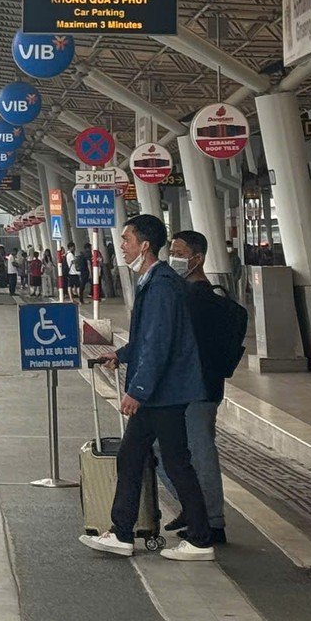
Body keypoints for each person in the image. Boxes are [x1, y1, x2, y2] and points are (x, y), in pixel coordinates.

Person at [80, 214, 215, 560]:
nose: (121, 247)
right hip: (162, 391)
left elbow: (158, 343)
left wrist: (136, 391)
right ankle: (123, 532)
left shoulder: (162, 285)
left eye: (126, 240)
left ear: (145, 245)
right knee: (135, 455)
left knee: (174, 462)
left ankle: (200, 539)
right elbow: (145, 340)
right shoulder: (152, 280)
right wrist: (121, 354)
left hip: (163, 393)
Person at [156, 230, 244, 546]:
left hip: (197, 389)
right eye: (171, 251)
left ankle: (211, 520)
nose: (173, 257)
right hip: (196, 388)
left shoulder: (196, 299)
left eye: (179, 252)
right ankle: (196, 510)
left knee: (198, 451)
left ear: (198, 258)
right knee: (172, 450)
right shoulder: (187, 295)